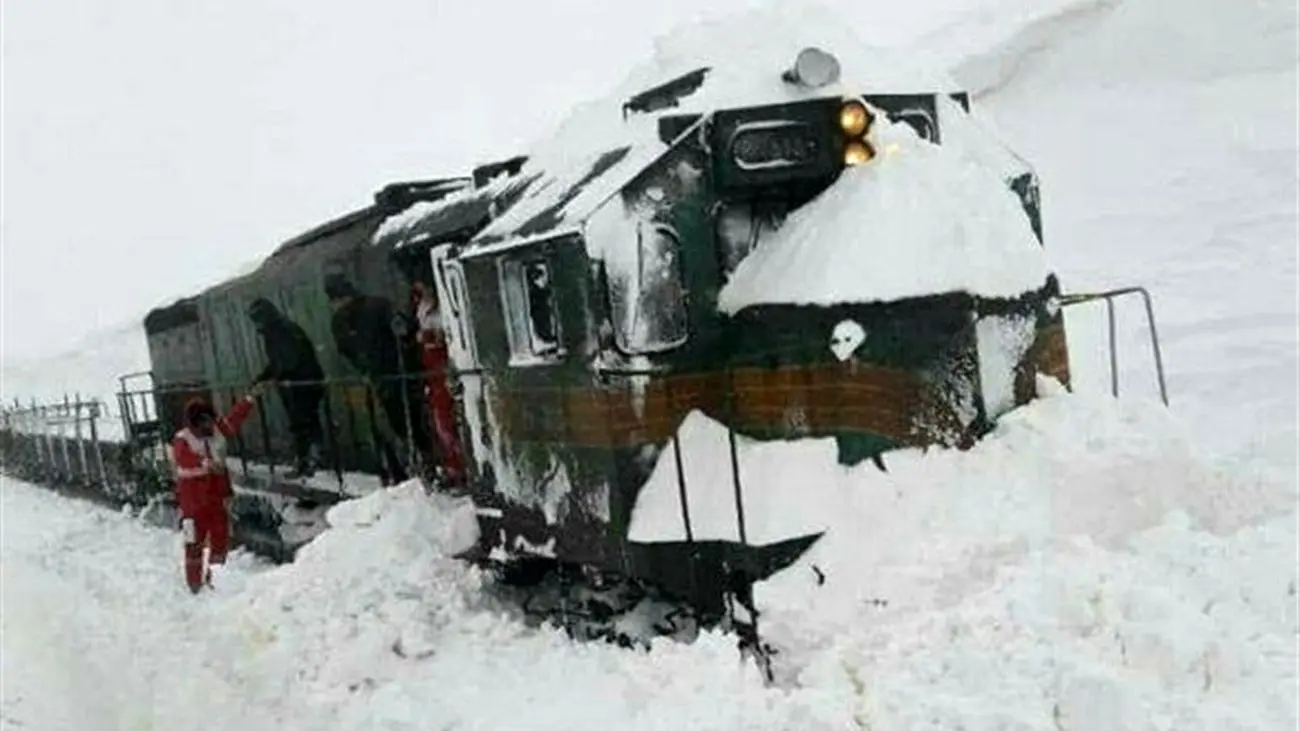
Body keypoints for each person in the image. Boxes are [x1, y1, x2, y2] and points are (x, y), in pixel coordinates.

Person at [323, 271, 430, 482]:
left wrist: (366, 367)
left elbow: (346, 350)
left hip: (380, 378)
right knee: (411, 423)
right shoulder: (379, 304)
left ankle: (401, 471)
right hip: (402, 373)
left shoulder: (340, 321)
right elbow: (403, 330)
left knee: (388, 427)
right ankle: (421, 463)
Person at [168, 384, 265, 593]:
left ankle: (216, 580)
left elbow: (234, 419)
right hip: (193, 504)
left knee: (220, 540)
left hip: (216, 498)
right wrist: (205, 463)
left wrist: (249, 399)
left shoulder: (218, 430)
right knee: (193, 543)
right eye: (204, 421)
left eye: (210, 420)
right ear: (194, 423)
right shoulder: (182, 439)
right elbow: (182, 458)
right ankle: (194, 584)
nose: (209, 425)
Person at [248, 298, 326, 478]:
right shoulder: (275, 331)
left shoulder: (282, 330)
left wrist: (278, 376)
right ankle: (308, 460)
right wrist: (264, 377)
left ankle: (310, 460)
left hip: (302, 383)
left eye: (258, 319)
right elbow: (277, 362)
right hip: (296, 383)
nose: (257, 324)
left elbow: (291, 359)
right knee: (302, 423)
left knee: (304, 423)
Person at [412, 281, 466, 484]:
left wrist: (431, 337)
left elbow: (449, 335)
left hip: (443, 368)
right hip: (432, 372)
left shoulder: (443, 306)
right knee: (440, 421)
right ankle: (451, 464)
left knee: (449, 419)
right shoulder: (421, 307)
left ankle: (458, 465)